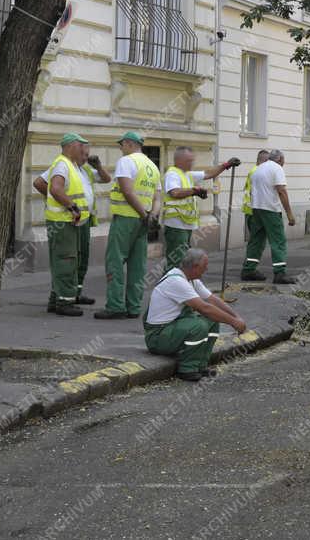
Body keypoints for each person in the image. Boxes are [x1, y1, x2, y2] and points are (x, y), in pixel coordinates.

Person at [144, 248, 246, 382]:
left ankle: (200, 365)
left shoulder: (191, 279)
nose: (207, 269)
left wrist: (236, 317)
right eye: (205, 266)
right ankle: (187, 369)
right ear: (195, 267)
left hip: (170, 329)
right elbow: (205, 308)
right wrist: (233, 322)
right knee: (198, 326)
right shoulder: (177, 281)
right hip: (157, 336)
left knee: (212, 321)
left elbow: (212, 299)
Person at [35, 143, 112, 307]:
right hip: (68, 219)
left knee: (80, 258)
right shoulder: (63, 166)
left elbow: (106, 179)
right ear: (75, 151)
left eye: (87, 155)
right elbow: (39, 183)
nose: (85, 158)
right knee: (66, 258)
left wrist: (97, 164)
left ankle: (75, 292)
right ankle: (63, 297)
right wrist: (59, 199)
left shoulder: (85, 170)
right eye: (84, 154)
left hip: (83, 220)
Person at [97, 131, 161, 320]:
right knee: (137, 264)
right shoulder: (152, 166)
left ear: (128, 143)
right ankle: (134, 307)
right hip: (143, 222)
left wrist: (142, 214)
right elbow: (158, 198)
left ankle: (115, 306)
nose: (120, 148)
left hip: (125, 218)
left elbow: (127, 190)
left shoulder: (126, 161)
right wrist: (152, 216)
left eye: (121, 145)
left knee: (115, 262)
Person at [162, 147, 240, 271]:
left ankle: (179, 284)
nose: (192, 163)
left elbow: (209, 173)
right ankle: (169, 285)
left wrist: (226, 165)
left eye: (192, 160)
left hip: (185, 224)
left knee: (182, 260)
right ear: (179, 160)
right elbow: (175, 193)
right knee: (175, 261)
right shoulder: (173, 174)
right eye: (188, 160)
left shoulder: (187, 174)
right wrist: (194, 191)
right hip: (176, 224)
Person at [41, 133, 91, 316]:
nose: (83, 150)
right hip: (62, 222)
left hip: (67, 223)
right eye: (80, 147)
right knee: (66, 261)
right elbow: (55, 188)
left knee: (65, 260)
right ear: (71, 146)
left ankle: (56, 300)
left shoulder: (69, 165)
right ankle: (64, 303)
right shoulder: (62, 164)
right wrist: (71, 206)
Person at [242, 149, 297, 284]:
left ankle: (248, 270)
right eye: (283, 160)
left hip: (256, 209)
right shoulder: (277, 168)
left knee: (256, 240)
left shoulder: (258, 169)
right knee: (278, 241)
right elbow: (281, 191)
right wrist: (289, 213)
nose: (284, 162)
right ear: (279, 159)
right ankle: (280, 273)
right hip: (270, 210)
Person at [242, 150, 270, 217]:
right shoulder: (259, 171)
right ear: (266, 160)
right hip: (255, 208)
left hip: (249, 207)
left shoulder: (253, 170)